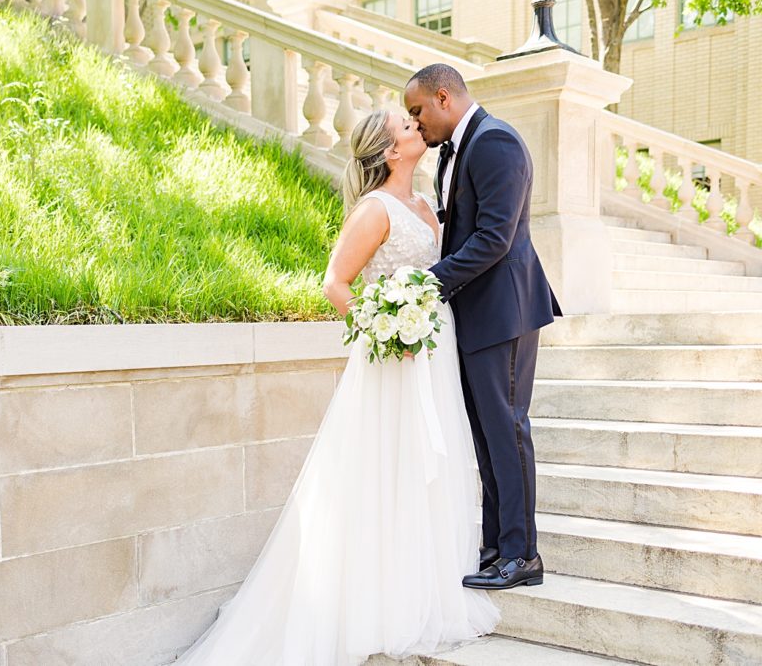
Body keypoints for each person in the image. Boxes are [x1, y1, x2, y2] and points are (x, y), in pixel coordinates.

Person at [172, 108, 499, 665]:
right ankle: (375, 602)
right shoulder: (375, 209)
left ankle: (424, 590)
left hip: (432, 352)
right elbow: (335, 284)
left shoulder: (424, 205)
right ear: (391, 151)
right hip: (393, 360)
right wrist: (384, 329)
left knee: (430, 468)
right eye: (404, 124)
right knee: (383, 470)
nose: (415, 125)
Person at [404, 63, 562, 590]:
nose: (416, 123)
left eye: (417, 111)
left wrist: (430, 282)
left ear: (444, 97)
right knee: (487, 437)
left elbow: (495, 238)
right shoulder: (454, 151)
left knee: (508, 431)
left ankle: (522, 555)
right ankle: (497, 547)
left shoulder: (496, 142)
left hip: (504, 314)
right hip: (476, 316)